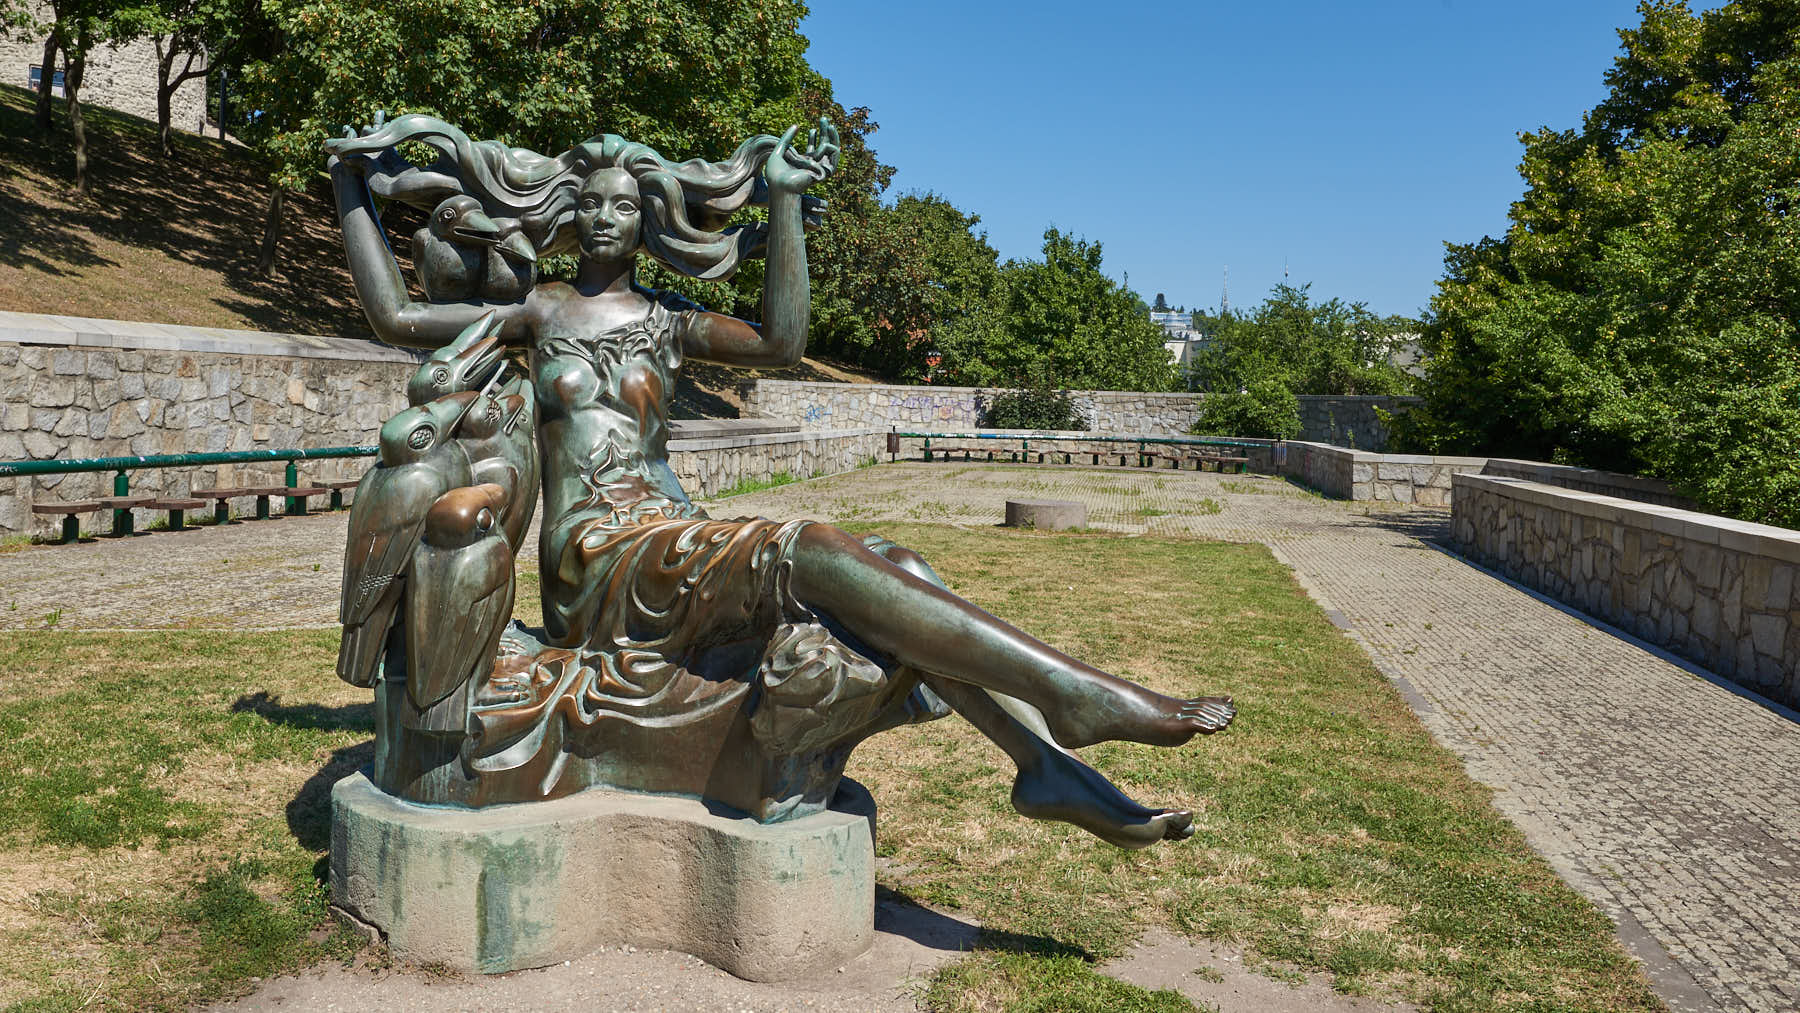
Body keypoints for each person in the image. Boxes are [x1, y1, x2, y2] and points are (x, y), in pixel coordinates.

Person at [326, 116, 1233, 849]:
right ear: (571, 217)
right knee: (813, 549)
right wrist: (351, 188)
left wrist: (787, 203)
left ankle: (1043, 766)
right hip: (599, 560)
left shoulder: (666, 323)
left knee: (898, 562)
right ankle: (1072, 699)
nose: (604, 218)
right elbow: (395, 312)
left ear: (647, 223)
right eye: (591, 205)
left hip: (671, 537)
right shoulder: (540, 311)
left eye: (623, 206)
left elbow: (781, 343)